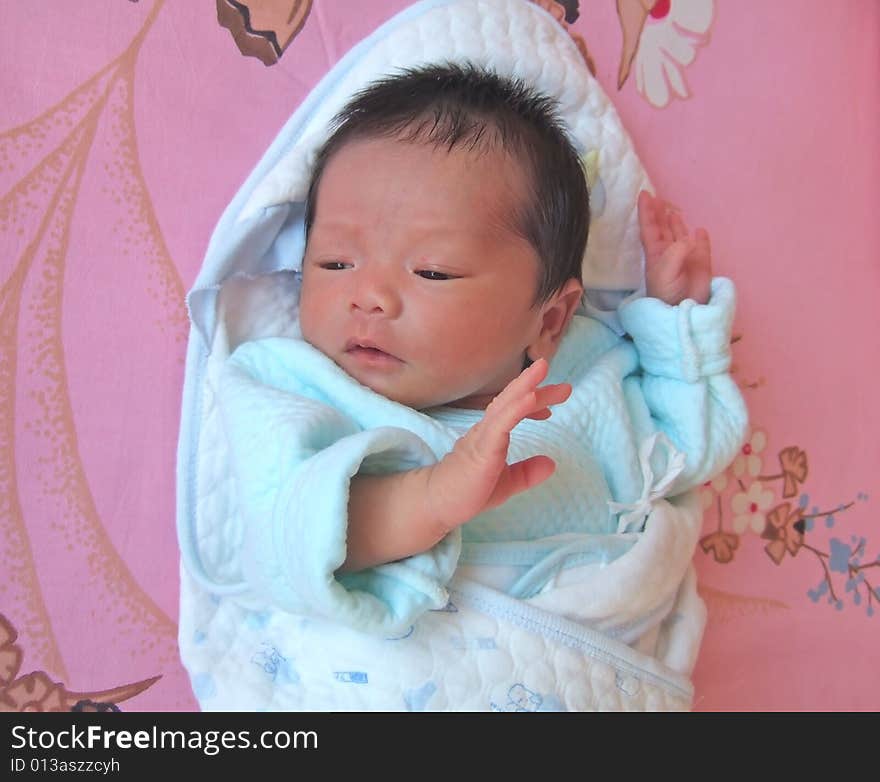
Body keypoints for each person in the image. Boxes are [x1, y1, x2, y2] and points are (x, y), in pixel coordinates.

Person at [218, 63, 747, 635]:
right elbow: (284, 542)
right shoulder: (297, 390)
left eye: (433, 271)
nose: (367, 295)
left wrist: (677, 327)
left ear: (549, 320)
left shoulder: (585, 379)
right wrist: (431, 498)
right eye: (335, 263)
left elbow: (689, 449)